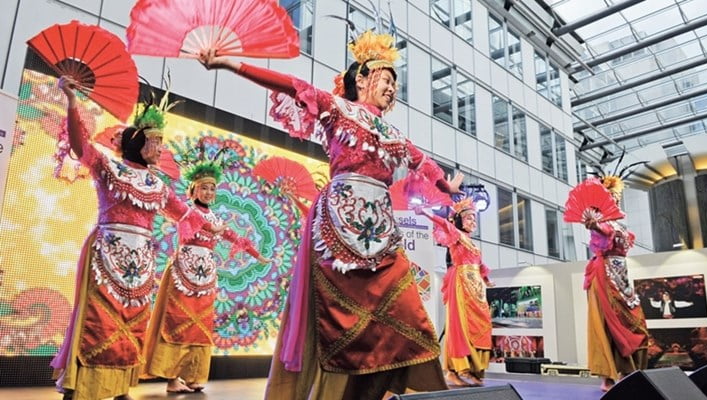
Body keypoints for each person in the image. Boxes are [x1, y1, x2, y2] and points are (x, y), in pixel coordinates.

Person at [199, 30, 463, 399]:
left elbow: (423, 162)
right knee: (340, 317)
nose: (391, 89)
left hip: (382, 232)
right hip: (338, 225)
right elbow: (291, 84)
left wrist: (446, 187)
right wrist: (230, 64)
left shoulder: (393, 133)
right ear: (363, 79)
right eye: (386, 80)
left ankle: (386, 388)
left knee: (405, 310)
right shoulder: (336, 109)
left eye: (394, 84)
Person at [50, 76, 219, 400]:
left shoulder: (158, 186)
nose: (161, 147)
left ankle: (120, 385)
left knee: (133, 321)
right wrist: (72, 101)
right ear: (139, 143)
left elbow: (187, 214)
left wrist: (228, 235)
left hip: (141, 261)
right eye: (156, 141)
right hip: (107, 254)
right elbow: (79, 145)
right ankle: (85, 385)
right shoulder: (109, 168)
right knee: (98, 320)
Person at [142, 159, 270, 393]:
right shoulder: (185, 211)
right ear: (193, 189)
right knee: (177, 321)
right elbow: (181, 218)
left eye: (212, 188)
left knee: (200, 324)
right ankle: (171, 378)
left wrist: (257, 255)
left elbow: (236, 238)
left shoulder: (216, 219)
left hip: (206, 276)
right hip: (184, 272)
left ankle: (193, 376)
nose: (209, 192)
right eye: (204, 187)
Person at [416, 197, 494, 387]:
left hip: (477, 289)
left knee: (482, 325)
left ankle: (476, 370)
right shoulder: (456, 235)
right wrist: (426, 212)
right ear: (459, 220)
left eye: (474, 219)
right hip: (460, 283)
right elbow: (442, 222)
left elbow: (480, 265)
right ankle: (453, 370)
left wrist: (486, 279)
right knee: (460, 326)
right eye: (468, 218)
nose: (472, 222)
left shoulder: (474, 245)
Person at [582, 175, 648, 392]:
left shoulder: (618, 223)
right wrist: (595, 225)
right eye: (611, 197)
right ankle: (608, 376)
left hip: (622, 277)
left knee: (634, 321)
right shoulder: (601, 224)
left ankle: (629, 370)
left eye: (617, 197)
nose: (615, 200)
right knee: (608, 324)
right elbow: (602, 231)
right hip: (604, 276)